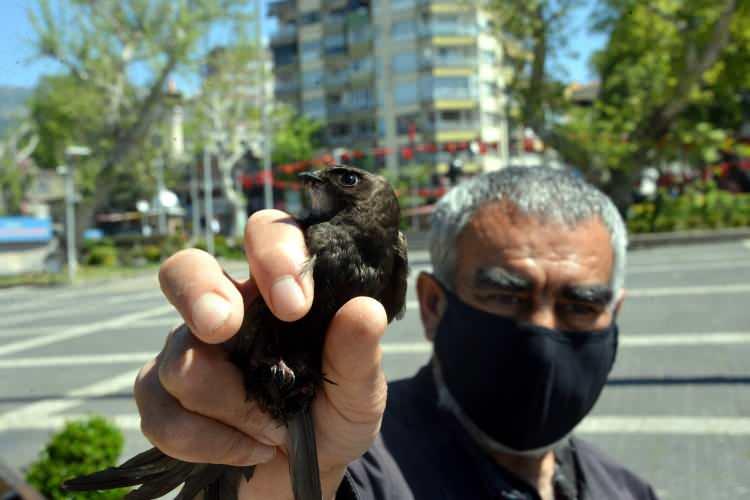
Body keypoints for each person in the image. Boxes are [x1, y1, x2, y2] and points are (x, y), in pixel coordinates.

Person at [135, 166, 659, 499]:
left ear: (616, 311)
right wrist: (285, 462)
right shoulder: (358, 463)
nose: (542, 330)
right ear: (431, 303)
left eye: (581, 305)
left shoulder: (629, 492)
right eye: (506, 294)